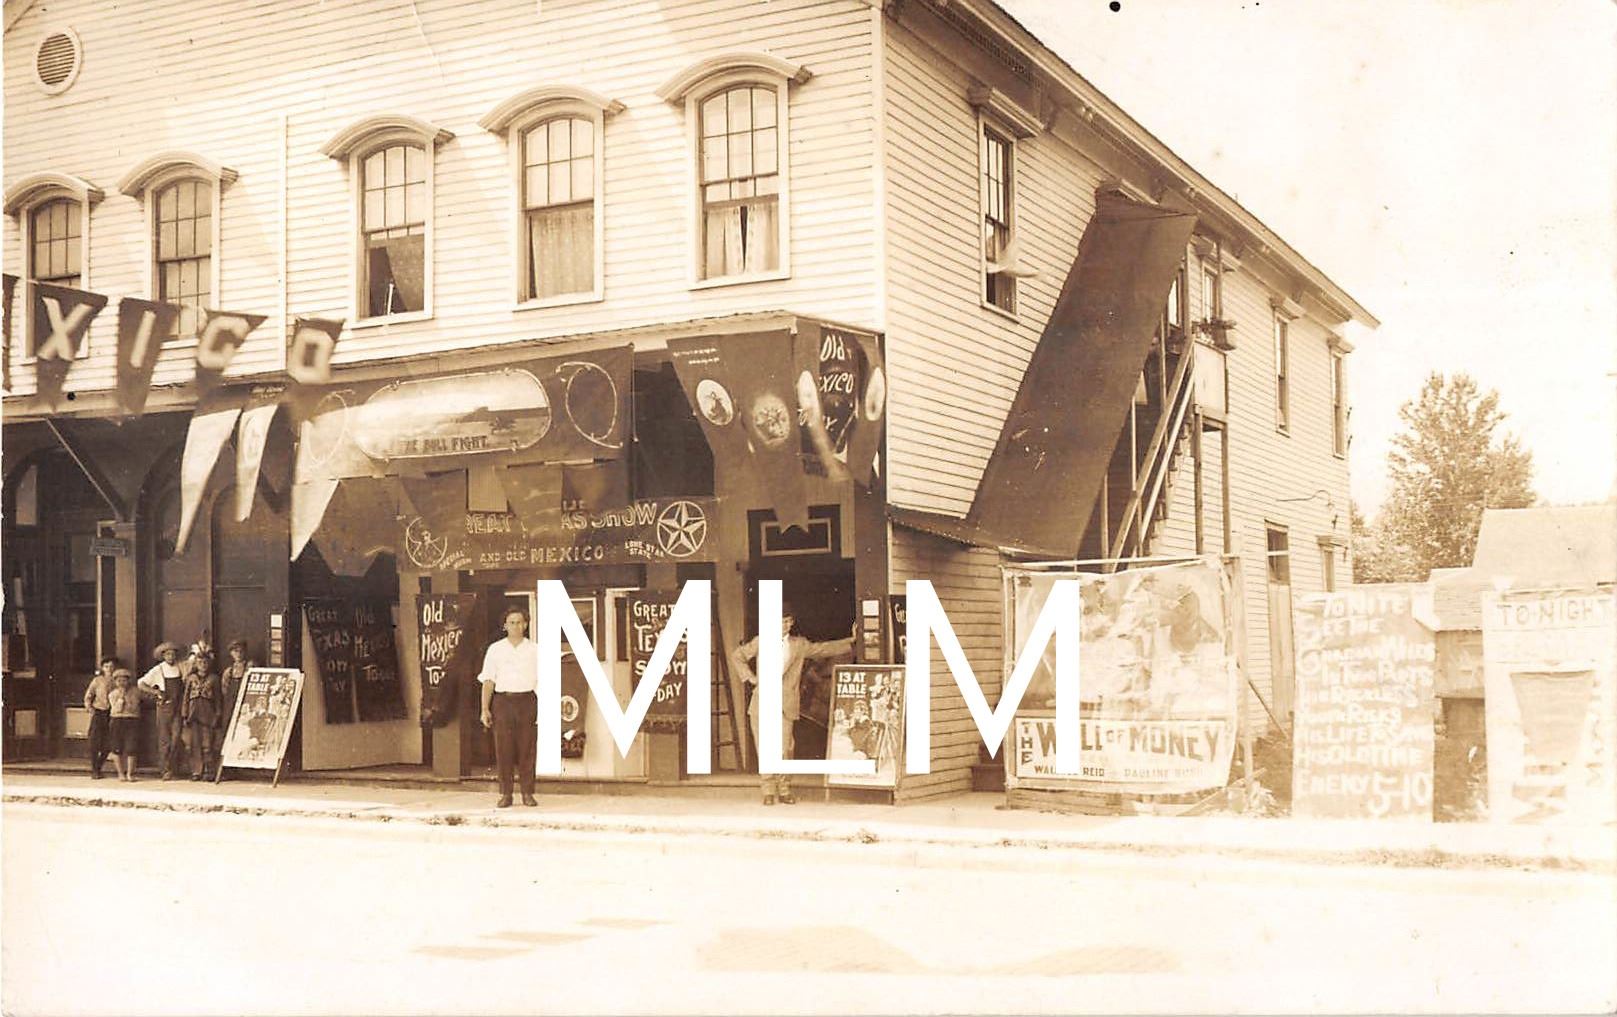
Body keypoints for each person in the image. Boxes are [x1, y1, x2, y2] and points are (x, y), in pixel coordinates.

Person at [730, 608, 854, 805]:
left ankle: (785, 788)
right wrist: (750, 678)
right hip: (762, 702)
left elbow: (822, 649)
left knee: (786, 748)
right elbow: (738, 656)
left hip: (785, 703)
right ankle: (768, 791)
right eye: (781, 621)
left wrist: (852, 641)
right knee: (764, 747)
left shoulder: (798, 645)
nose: (786, 625)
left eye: (789, 621)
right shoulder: (761, 641)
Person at [477, 606, 539, 808]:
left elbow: (543, 681)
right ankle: (506, 794)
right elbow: (488, 681)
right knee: (504, 749)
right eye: (512, 622)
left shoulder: (535, 650)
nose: (516, 626)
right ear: (505, 625)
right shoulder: (495, 649)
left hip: (527, 701)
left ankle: (528, 793)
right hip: (503, 702)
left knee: (527, 749)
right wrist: (485, 709)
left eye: (520, 622)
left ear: (526, 625)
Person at [137, 642, 187, 780]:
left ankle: (175, 767)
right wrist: (156, 691)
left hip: (178, 707)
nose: (171, 656)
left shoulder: (181, 667)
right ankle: (165, 770)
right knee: (165, 740)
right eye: (168, 654)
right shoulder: (158, 670)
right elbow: (141, 684)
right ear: (163, 656)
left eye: (173, 654)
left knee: (177, 738)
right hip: (165, 707)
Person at [182, 650, 222, 781]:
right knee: (194, 744)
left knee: (208, 744)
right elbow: (186, 697)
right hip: (193, 715)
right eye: (200, 662)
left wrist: (217, 714)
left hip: (208, 715)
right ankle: (196, 771)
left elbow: (218, 699)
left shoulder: (214, 679)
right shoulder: (191, 678)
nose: (203, 665)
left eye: (205, 662)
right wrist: (185, 713)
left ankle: (209, 771)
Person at [107, 668, 146, 782]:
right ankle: (120, 773)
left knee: (131, 747)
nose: (122, 683)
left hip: (132, 720)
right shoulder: (112, 694)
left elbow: (134, 707)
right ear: (115, 682)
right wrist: (121, 698)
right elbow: (117, 709)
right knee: (116, 747)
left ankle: (130, 773)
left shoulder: (136, 692)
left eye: (124, 680)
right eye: (119, 681)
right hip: (117, 720)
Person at [83, 656, 116, 779]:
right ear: (102, 668)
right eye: (107, 667)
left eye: (112, 667)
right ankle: (95, 769)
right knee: (95, 741)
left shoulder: (118, 680)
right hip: (99, 712)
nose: (109, 669)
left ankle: (99, 765)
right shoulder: (97, 681)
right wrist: (90, 708)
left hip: (112, 713)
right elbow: (88, 696)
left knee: (108, 743)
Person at [218, 639, 255, 734]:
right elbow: (224, 689)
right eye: (235, 651)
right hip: (231, 702)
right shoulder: (229, 671)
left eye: (241, 651)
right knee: (228, 723)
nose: (238, 654)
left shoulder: (250, 667)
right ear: (231, 653)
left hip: (246, 700)